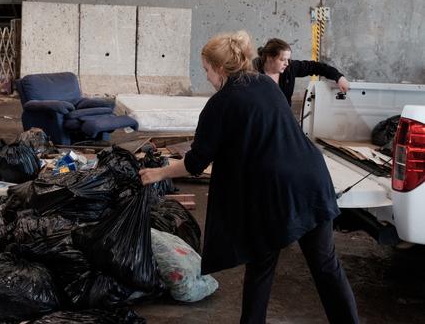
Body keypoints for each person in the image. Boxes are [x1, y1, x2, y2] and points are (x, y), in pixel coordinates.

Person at [139, 31, 359, 324]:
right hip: (312, 179)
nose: (206, 76)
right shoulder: (265, 85)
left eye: (206, 69)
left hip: (275, 190)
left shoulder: (220, 105)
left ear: (219, 68)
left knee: (261, 267)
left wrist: (158, 172)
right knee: (326, 266)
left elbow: (195, 163)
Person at [254, 38, 350, 106]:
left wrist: (339, 77)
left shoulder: (290, 68)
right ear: (270, 57)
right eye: (283, 59)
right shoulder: (251, 72)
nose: (287, 63)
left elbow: (316, 67)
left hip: (283, 118)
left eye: (288, 59)